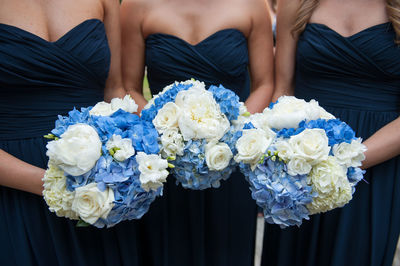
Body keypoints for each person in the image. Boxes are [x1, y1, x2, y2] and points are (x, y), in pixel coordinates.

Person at [120, 0, 274, 265]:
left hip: (229, 163)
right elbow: (128, 87)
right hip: (164, 163)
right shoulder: (136, 6)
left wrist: (229, 136)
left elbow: (265, 83)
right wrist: (166, 135)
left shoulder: (252, 5)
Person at [0, 1, 144, 265]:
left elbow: (114, 90)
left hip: (102, 188)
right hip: (16, 187)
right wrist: (56, 187)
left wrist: (136, 159)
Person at [262, 0, 400, 265]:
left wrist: (344, 162)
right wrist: (281, 149)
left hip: (375, 170)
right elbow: (283, 90)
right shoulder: (296, 3)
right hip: (300, 168)